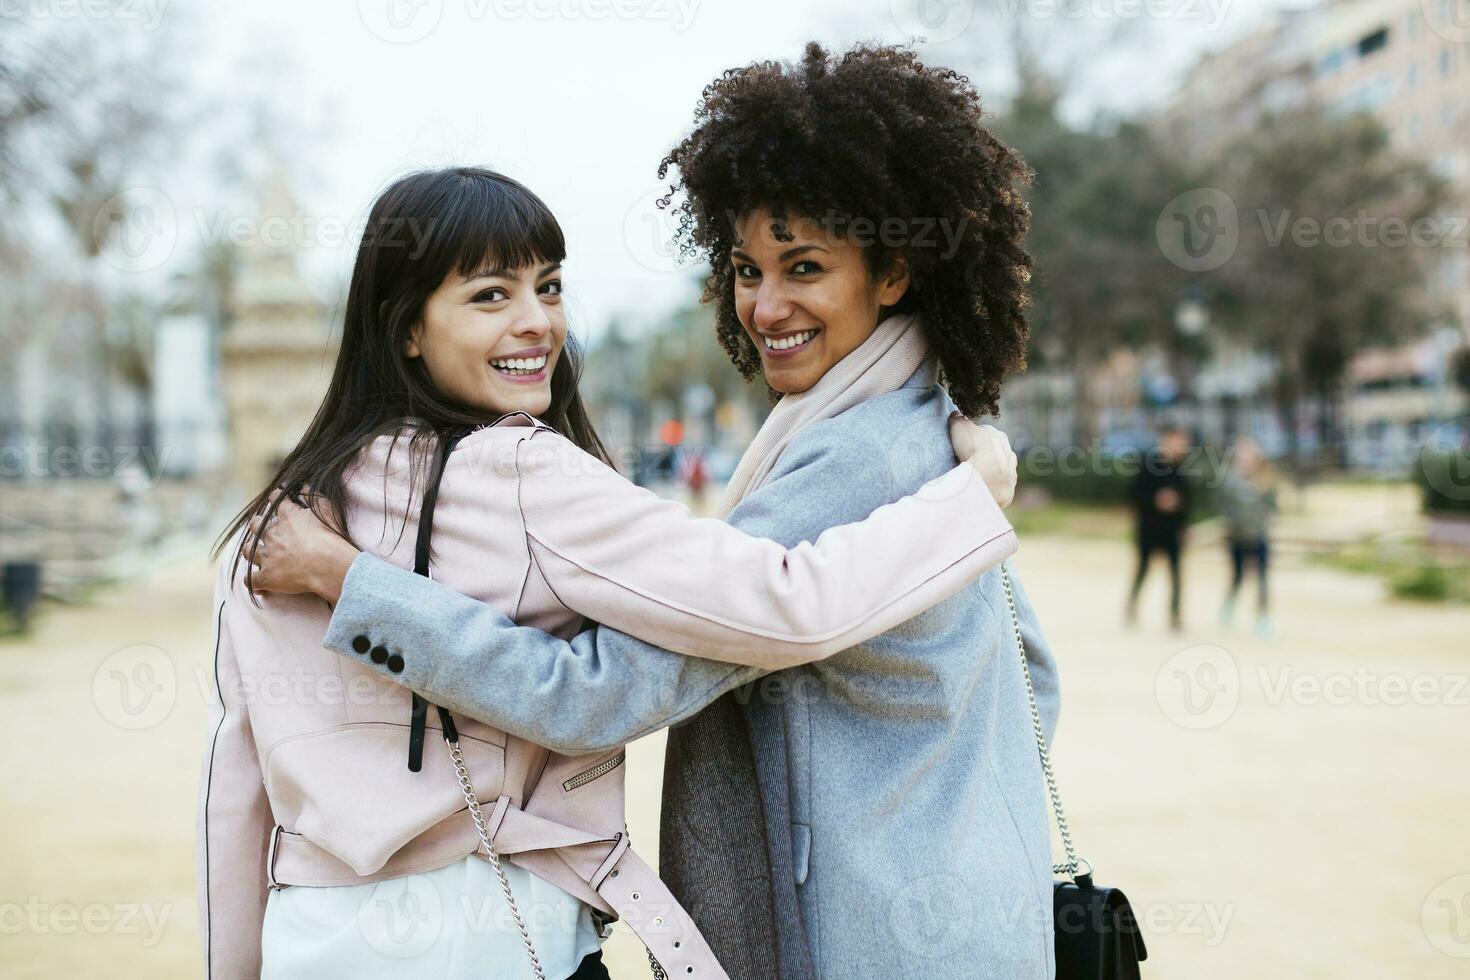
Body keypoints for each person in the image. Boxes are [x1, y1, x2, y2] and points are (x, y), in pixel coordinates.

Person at [252, 43, 1059, 980]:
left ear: (893, 275)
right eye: (747, 269)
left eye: (804, 268)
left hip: (866, 932)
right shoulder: (927, 426)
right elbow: (1032, 681)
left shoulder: (858, 457)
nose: (765, 305)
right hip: (967, 918)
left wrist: (356, 586)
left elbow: (596, 693)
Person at [1125, 425, 1193, 631]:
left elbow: (1188, 500)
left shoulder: (1180, 468)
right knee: (1143, 570)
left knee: (1176, 574)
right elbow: (1135, 495)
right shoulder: (1148, 464)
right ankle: (1132, 607)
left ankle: (1175, 614)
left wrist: (1185, 526)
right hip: (1149, 528)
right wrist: (1157, 500)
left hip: (1172, 531)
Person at [1218, 436, 1278, 638]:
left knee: (1262, 578)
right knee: (1237, 576)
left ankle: (1262, 616)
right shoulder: (1229, 481)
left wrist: (1263, 522)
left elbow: (1272, 508)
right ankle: (1229, 605)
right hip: (1237, 537)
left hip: (1259, 536)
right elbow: (1225, 510)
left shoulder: (1265, 481)